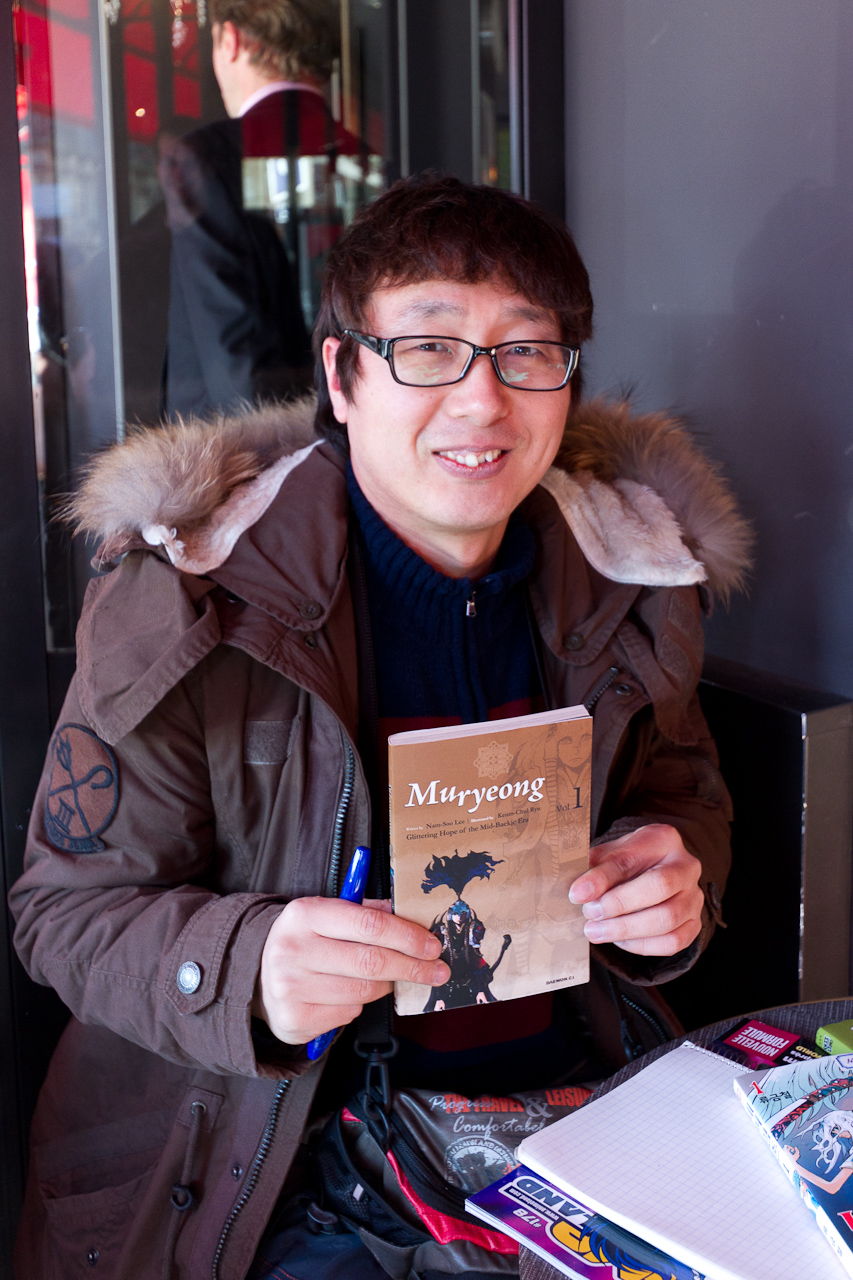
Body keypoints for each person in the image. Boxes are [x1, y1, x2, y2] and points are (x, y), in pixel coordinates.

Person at [10, 174, 751, 1279]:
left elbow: (684, 794)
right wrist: (247, 966)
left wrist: (672, 877)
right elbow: (63, 912)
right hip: (283, 1167)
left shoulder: (629, 578)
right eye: (428, 347)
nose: (481, 400)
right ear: (341, 374)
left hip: (567, 1127)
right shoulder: (195, 599)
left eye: (525, 351)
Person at [162, 0, 369, 417]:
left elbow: (231, 343)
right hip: (357, 416)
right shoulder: (365, 156)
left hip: (243, 437)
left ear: (231, 39)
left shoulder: (207, 157)